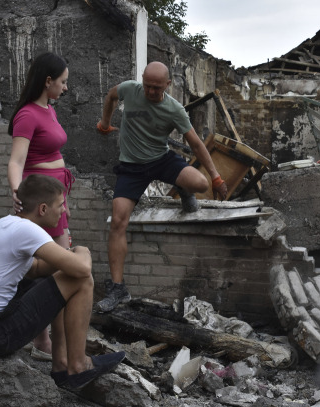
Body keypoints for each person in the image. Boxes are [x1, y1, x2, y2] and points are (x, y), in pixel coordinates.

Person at [0, 174, 125, 391]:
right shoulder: (27, 231)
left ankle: (61, 365)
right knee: (82, 280)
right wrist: (82, 252)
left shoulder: (8, 225)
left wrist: (64, 257)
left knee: (57, 277)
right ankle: (77, 366)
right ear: (43, 209)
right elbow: (82, 269)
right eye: (60, 205)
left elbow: (36, 270)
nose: (64, 210)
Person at [94, 61, 228, 313]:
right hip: (131, 167)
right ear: (141, 80)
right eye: (147, 86)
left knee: (199, 183)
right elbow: (111, 95)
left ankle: (183, 188)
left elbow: (197, 145)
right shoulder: (130, 89)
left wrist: (216, 178)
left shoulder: (174, 109)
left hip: (160, 160)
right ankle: (118, 289)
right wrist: (105, 122)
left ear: (168, 85)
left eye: (157, 88)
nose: (151, 92)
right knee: (118, 221)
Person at [7, 51, 74, 355]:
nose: (65, 87)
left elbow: (55, 157)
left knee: (60, 265)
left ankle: (51, 338)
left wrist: (63, 201)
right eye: (62, 82)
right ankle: (45, 339)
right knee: (54, 268)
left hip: (54, 199)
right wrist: (17, 192)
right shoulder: (27, 115)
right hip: (39, 204)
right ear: (48, 81)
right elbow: (16, 161)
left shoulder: (50, 110)